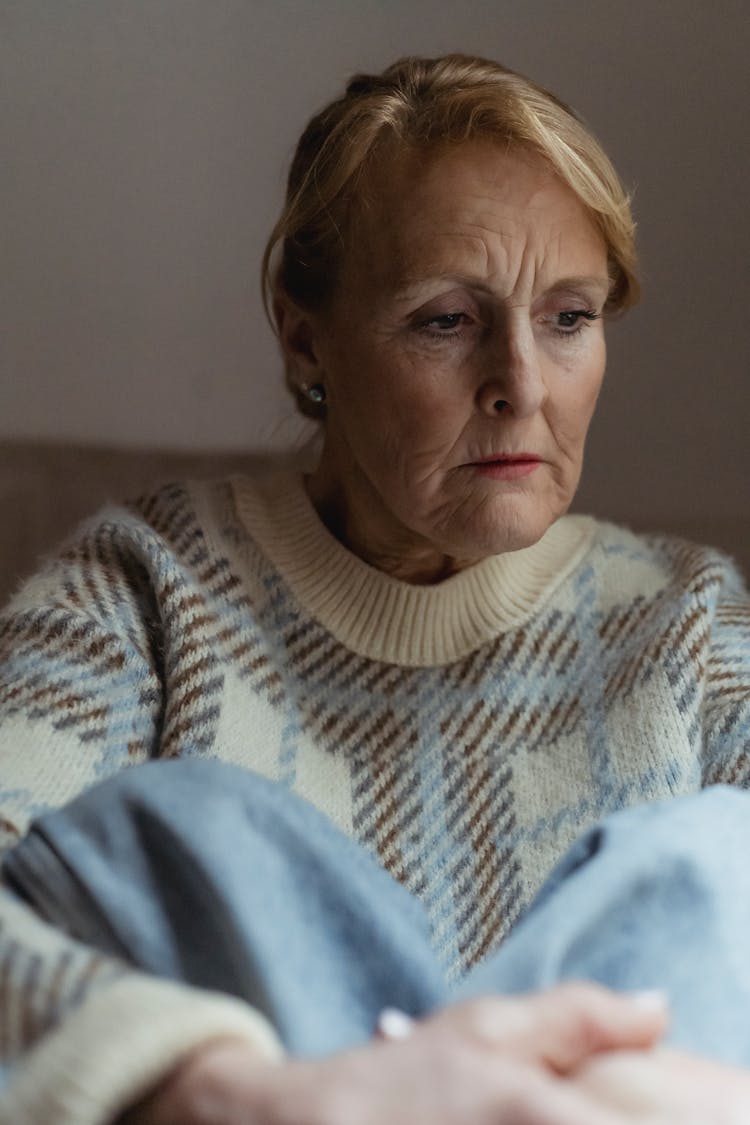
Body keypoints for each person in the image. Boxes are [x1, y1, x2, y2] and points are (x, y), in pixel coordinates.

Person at [0, 52, 748, 1125]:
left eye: (569, 318)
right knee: (195, 826)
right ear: (305, 336)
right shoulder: (140, 597)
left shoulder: (688, 625)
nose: (522, 388)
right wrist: (229, 1091)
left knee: (719, 858)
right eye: (447, 320)